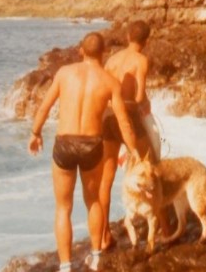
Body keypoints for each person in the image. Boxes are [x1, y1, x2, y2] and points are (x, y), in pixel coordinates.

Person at [27, 32, 137, 272]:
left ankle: (65, 266)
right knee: (94, 201)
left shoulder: (64, 73)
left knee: (63, 207)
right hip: (91, 146)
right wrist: (133, 151)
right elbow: (123, 121)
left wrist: (35, 133)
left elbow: (44, 106)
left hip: (64, 144)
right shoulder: (110, 82)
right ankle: (96, 258)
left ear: (81, 51)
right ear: (104, 53)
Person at [100, 20, 161, 250]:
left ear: (127, 37)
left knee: (106, 179)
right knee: (151, 164)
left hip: (107, 116)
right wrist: (147, 107)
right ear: (146, 41)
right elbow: (138, 98)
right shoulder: (141, 60)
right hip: (128, 116)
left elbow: (104, 91)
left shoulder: (112, 59)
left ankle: (104, 234)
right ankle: (162, 226)